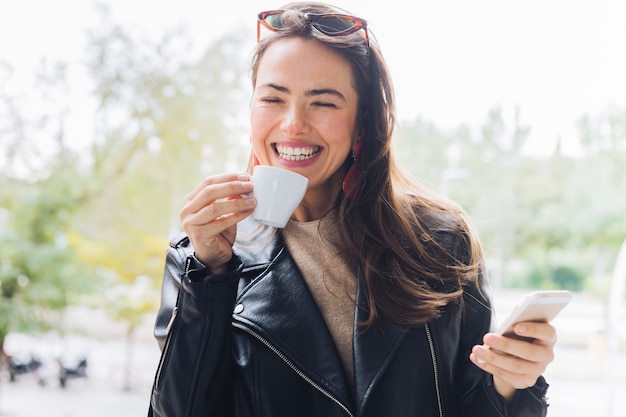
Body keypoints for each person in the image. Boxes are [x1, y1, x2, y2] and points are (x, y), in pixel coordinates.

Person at [148, 2, 556, 416]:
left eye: (323, 103)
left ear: (364, 121)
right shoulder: (201, 254)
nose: (293, 124)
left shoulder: (441, 241)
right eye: (272, 98)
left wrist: (510, 383)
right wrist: (209, 276)